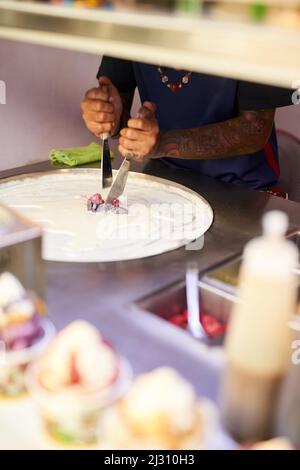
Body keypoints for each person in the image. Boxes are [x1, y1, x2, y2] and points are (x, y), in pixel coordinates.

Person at [81, 56, 293, 192]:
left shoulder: (243, 18)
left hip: (241, 188)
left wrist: (162, 145)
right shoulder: (134, 16)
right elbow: (117, 101)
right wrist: (105, 115)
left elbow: (254, 128)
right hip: (164, 178)